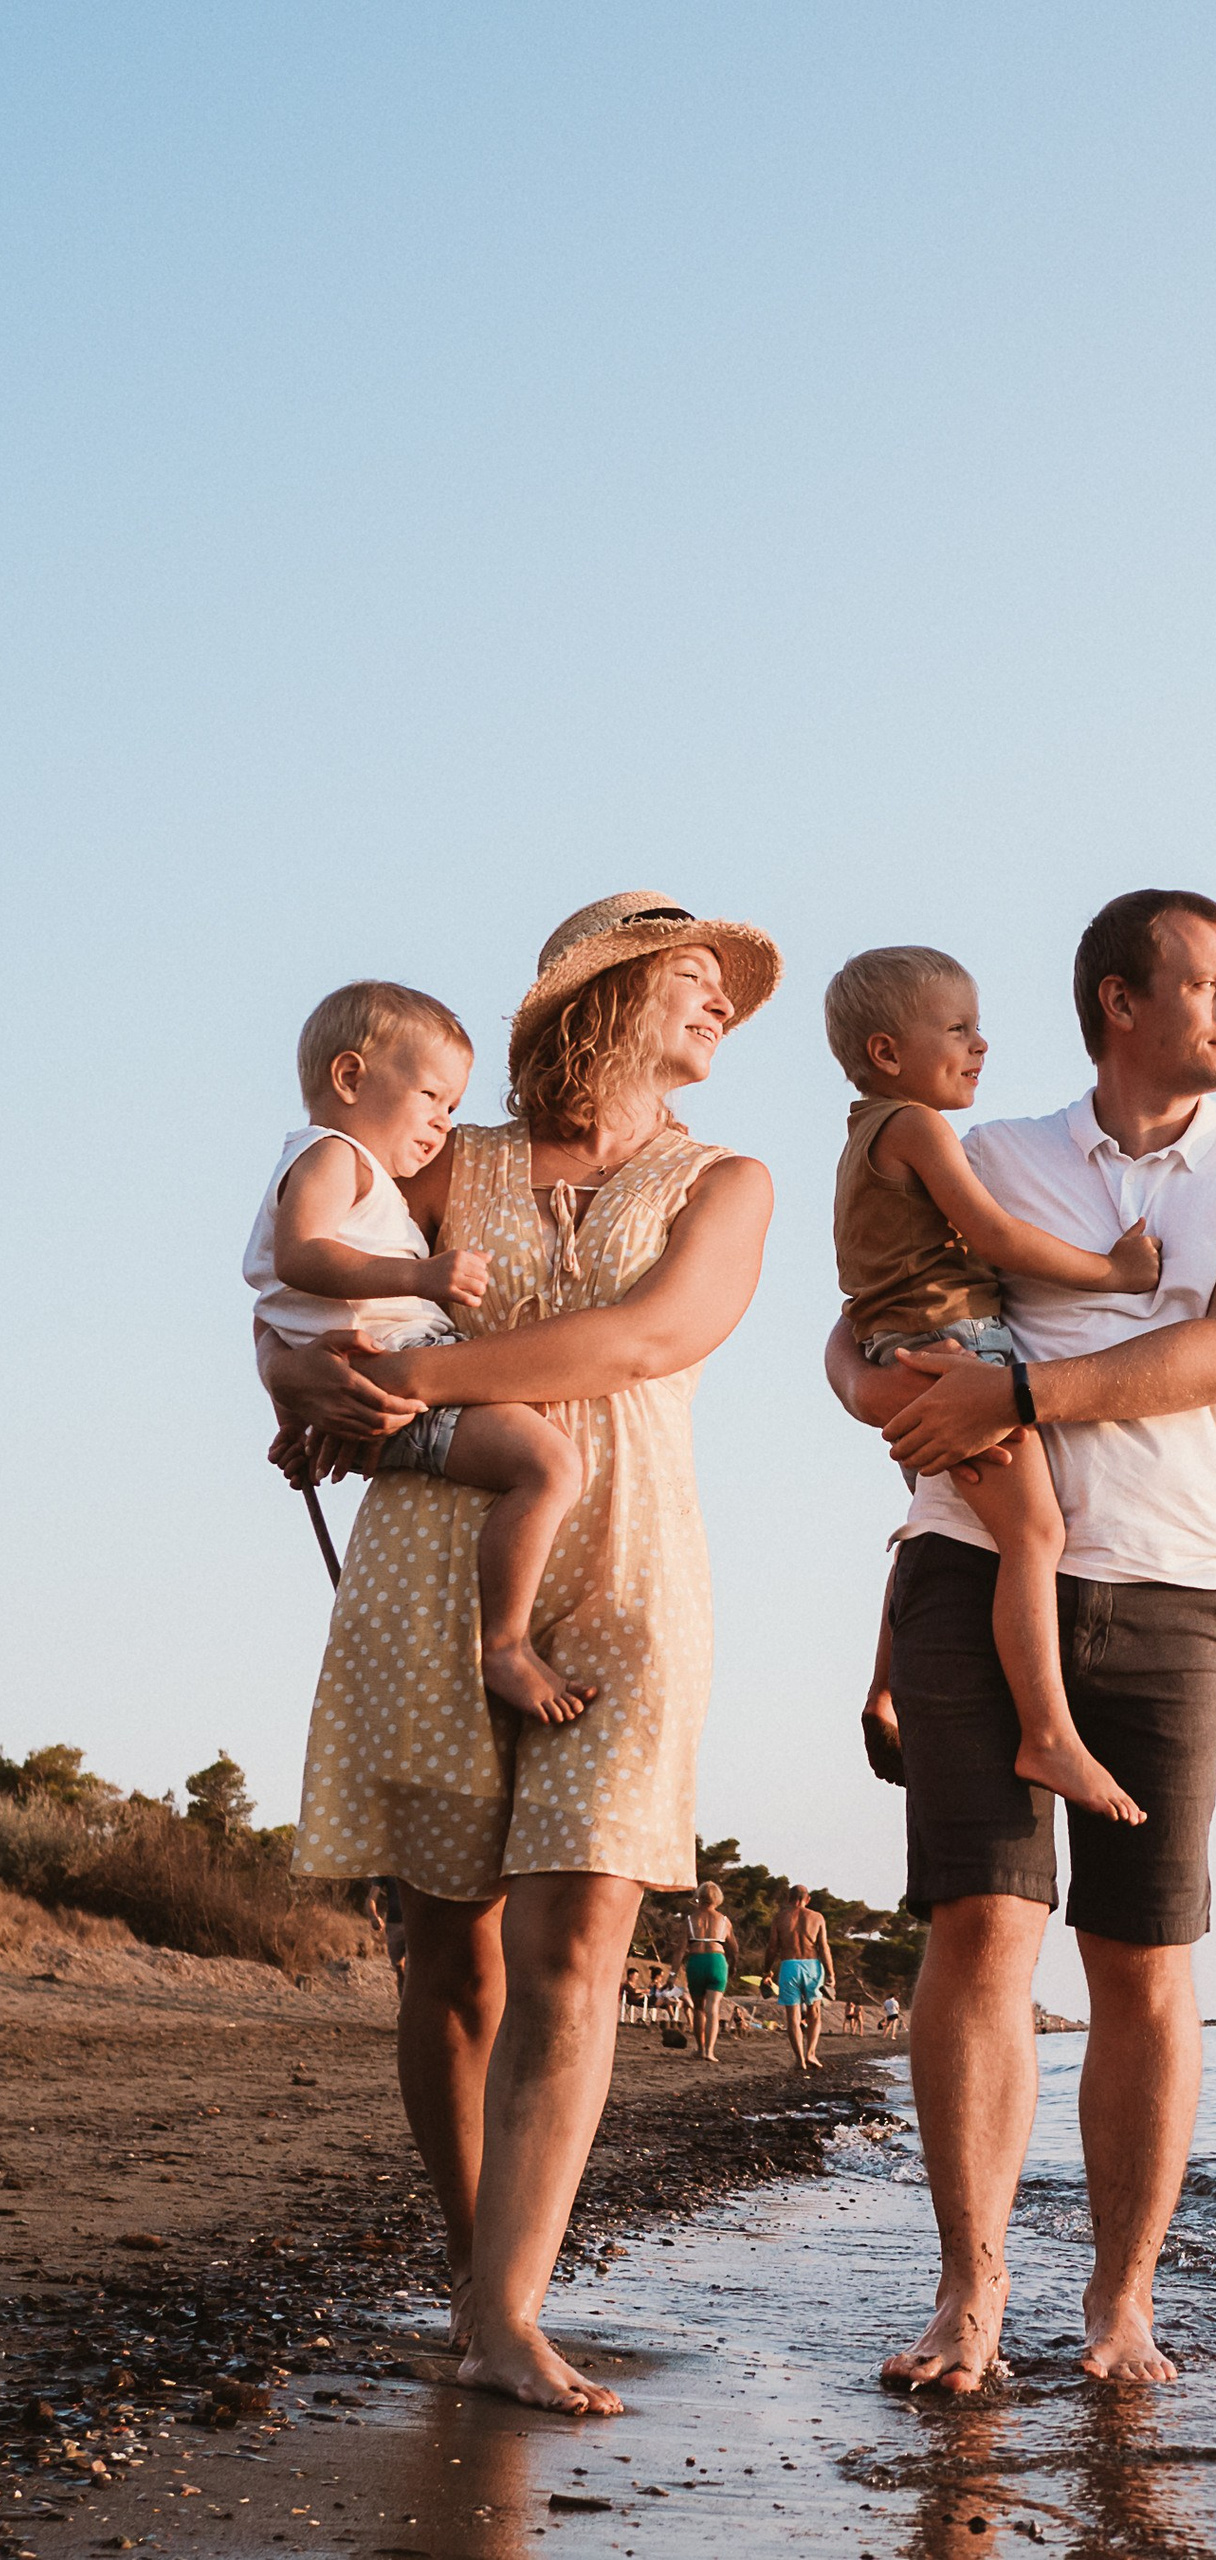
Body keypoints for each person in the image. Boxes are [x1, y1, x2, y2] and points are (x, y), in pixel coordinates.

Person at [265, 890, 779, 2416]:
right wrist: (304, 1385)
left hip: (627, 1561)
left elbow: (646, 1340)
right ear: (599, 996)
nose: (719, 1009)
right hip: (440, 1555)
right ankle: (472, 2271)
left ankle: (504, 2310)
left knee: (576, 1944)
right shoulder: (451, 1158)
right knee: (456, 1956)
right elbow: (302, 1289)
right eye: (691, 983)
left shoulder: (729, 1180)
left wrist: (410, 1372)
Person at [828, 888, 1216, 2390]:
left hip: (1173, 1590)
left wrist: (1021, 1398)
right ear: (1120, 1001)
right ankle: (971, 2300)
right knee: (982, 1929)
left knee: (1143, 1957)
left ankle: (1120, 2308)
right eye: (1211, 984)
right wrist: (885, 1400)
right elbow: (857, 1317)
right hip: (968, 1571)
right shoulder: (989, 1151)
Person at [825, 946, 1159, 1823]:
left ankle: (894, 1690)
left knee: (955, 1530)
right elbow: (997, 1234)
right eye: (960, 1028)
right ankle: (1047, 1732)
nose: (982, 1044)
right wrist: (1112, 1271)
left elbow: (859, 1286)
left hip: (901, 1349)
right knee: (1035, 1533)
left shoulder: (857, 1143)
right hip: (956, 1352)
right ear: (890, 1054)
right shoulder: (917, 1128)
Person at [247, 983, 593, 1723]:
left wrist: (291, 1415)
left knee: (534, 1431)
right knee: (552, 1465)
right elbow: (300, 1259)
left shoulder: (334, 1167)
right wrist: (420, 1274)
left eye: (453, 1107)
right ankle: (504, 1644)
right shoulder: (335, 1159)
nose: (443, 1122)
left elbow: (269, 1317)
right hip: (407, 1376)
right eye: (432, 1096)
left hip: (392, 1371)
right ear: (350, 1078)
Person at [764, 1885, 836, 2072]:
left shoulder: (780, 1918)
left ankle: (799, 2060)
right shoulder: (817, 1917)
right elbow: (823, 1947)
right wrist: (831, 1974)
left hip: (789, 1965)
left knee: (793, 2017)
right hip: (812, 1965)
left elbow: (772, 1947)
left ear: (789, 1898)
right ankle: (811, 2053)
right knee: (814, 2014)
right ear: (808, 1899)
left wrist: (766, 1970)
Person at [683, 1882, 736, 2063]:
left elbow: (680, 1949)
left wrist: (673, 1973)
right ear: (717, 1898)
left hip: (696, 1961)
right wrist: (734, 1964)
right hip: (717, 1961)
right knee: (712, 2008)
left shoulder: (690, 1919)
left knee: (698, 2008)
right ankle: (709, 2051)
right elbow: (734, 1947)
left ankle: (699, 2048)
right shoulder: (723, 1920)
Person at [367, 1877, 408, 1994]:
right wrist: (373, 1916)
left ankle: (410, 2006)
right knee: (399, 1967)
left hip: (414, 1923)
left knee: (412, 1967)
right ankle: (403, 2001)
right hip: (394, 1923)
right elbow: (371, 1898)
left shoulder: (418, 1865)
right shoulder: (388, 1868)